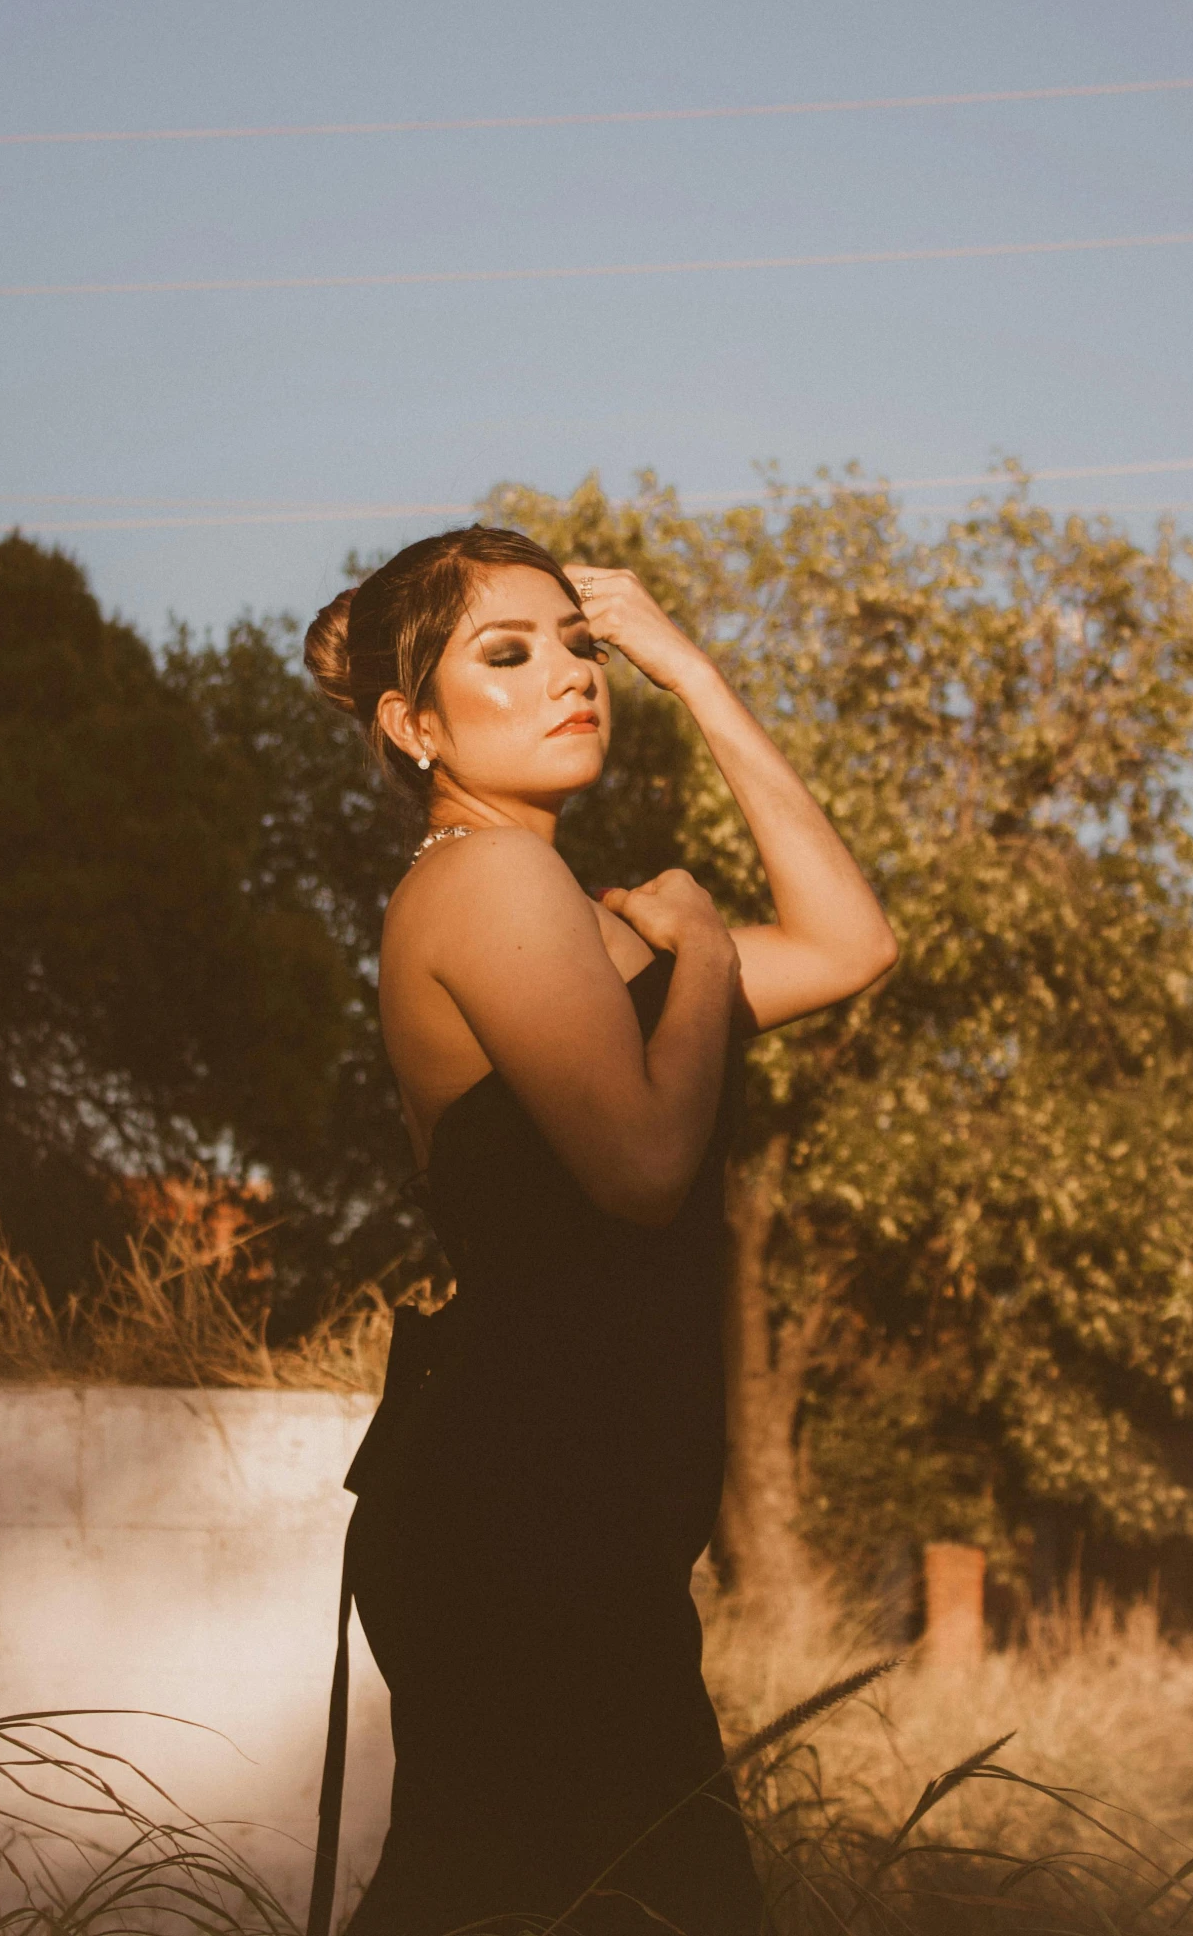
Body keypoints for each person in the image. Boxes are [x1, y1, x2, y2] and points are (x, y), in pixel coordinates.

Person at [303, 524, 896, 1936]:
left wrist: (694, 674)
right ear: (413, 723)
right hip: (522, 1522)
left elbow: (851, 943)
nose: (572, 675)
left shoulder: (580, 921)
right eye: (507, 654)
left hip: (576, 1527)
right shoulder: (488, 884)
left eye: (582, 644)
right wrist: (696, 950)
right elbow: (639, 1164)